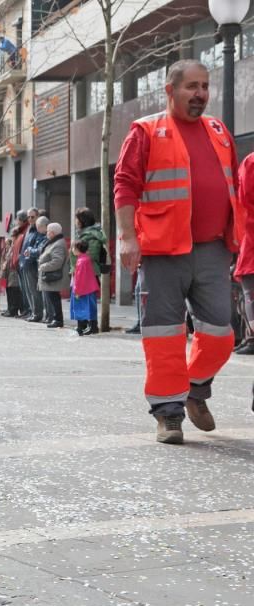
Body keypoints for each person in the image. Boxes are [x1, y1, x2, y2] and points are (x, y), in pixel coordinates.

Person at [114, 59, 242, 444]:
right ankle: (168, 414)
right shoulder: (146, 131)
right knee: (164, 336)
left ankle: (194, 388)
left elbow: (232, 187)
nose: (200, 94)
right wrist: (126, 237)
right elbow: (125, 186)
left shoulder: (219, 130)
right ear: (170, 90)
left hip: (213, 249)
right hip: (162, 250)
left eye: (205, 86)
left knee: (222, 332)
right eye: (192, 87)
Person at [70, 207, 106, 334]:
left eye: (76, 219)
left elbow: (93, 255)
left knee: (88, 300)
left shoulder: (91, 235)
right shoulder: (83, 233)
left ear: (82, 220)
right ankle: (83, 324)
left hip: (88, 273)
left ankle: (92, 325)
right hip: (80, 271)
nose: (75, 221)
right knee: (81, 299)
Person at [236, 152, 254, 359]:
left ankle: (251, 338)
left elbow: (242, 198)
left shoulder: (250, 162)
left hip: (250, 233)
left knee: (250, 292)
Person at [37, 222, 70, 328]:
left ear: (52, 232)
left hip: (53, 276)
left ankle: (58, 319)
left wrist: (43, 266)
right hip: (50, 276)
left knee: (54, 299)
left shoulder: (58, 244)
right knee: (52, 298)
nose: (46, 233)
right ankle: (55, 318)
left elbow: (57, 261)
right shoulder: (54, 242)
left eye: (48, 231)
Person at [21, 215, 48, 321]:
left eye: (32, 216)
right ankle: (34, 312)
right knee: (30, 291)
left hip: (33, 264)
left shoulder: (41, 234)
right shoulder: (30, 231)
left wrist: (30, 251)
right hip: (27, 264)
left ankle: (37, 314)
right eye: (28, 217)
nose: (30, 219)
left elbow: (38, 249)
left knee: (35, 291)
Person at [71, 240, 100, 335]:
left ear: (77, 249)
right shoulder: (85, 259)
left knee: (81, 308)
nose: (72, 250)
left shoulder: (81, 261)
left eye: (73, 248)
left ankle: (84, 327)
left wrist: (76, 290)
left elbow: (79, 277)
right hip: (89, 287)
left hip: (83, 288)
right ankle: (93, 326)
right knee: (91, 307)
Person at [0, 228, 22, 316]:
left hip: (13, 273)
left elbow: (12, 259)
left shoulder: (16, 246)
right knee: (9, 292)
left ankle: (13, 310)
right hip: (8, 273)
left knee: (14, 293)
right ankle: (10, 309)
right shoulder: (10, 248)